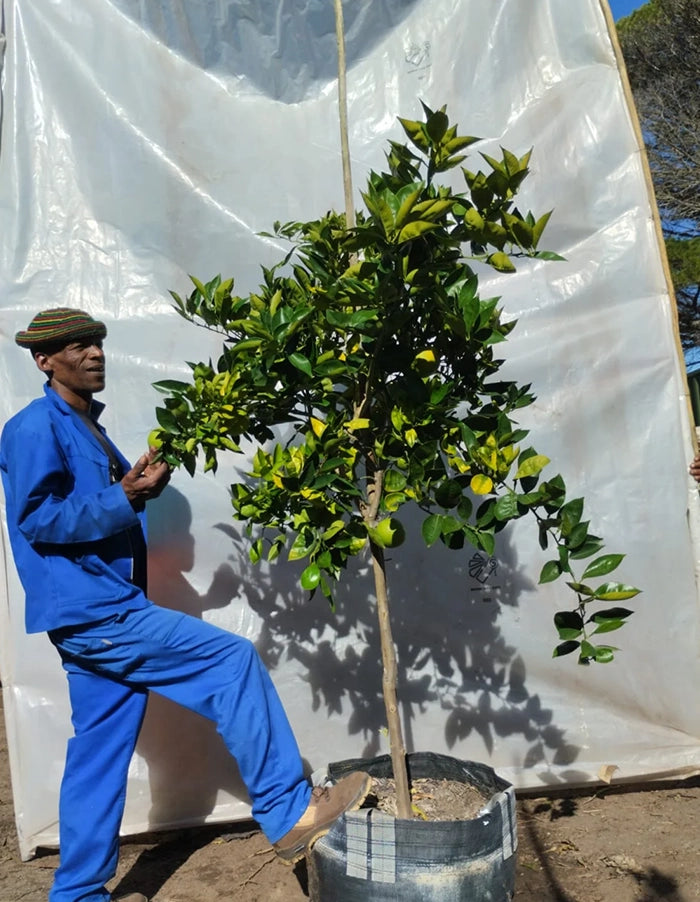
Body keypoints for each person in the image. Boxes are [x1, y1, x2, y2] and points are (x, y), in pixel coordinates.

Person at [0, 308, 370, 902]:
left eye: (96, 342)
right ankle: (289, 811)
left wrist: (134, 490)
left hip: (91, 612)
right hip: (99, 613)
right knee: (233, 662)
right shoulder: (33, 428)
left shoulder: (86, 425)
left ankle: (76, 896)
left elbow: (92, 510)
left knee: (97, 754)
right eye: (76, 347)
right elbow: (38, 520)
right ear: (44, 361)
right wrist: (124, 495)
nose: (94, 353)